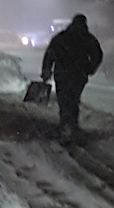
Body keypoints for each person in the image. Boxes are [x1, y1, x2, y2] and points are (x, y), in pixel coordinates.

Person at [40, 13, 104, 143]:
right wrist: (90, 69)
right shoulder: (88, 39)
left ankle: (65, 126)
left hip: (62, 74)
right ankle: (72, 126)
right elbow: (98, 55)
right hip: (78, 76)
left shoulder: (61, 37)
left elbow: (50, 54)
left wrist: (46, 71)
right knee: (73, 100)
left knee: (64, 100)